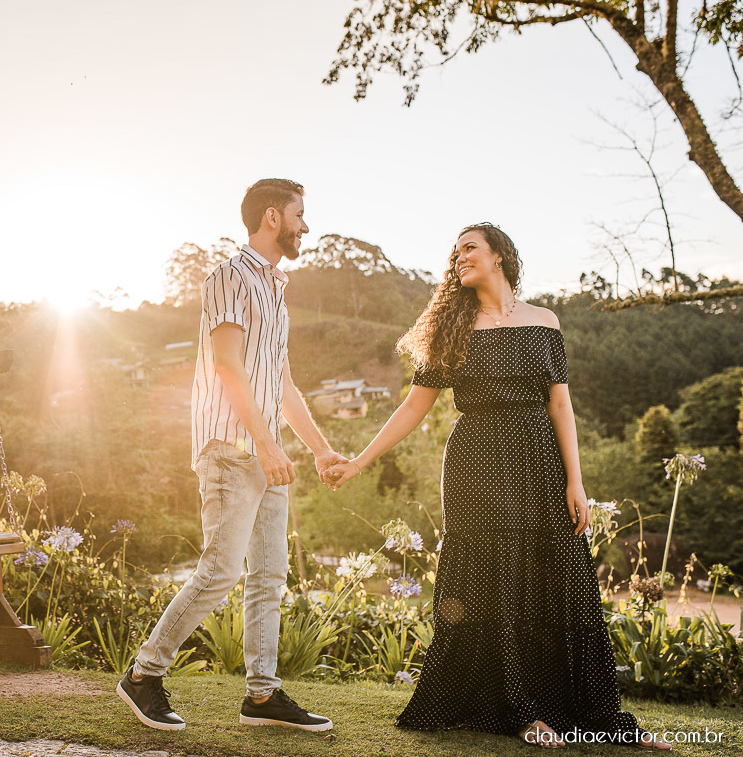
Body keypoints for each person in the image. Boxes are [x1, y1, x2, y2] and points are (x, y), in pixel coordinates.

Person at [325, 224, 670, 750]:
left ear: (500, 256)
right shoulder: (450, 328)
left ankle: (587, 713)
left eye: (470, 248)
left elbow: (560, 405)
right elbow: (415, 407)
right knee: (490, 579)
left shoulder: (544, 321)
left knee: (555, 575)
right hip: (476, 464)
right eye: (455, 251)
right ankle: (519, 711)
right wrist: (358, 461)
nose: (459, 256)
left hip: (540, 462)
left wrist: (577, 482)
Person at [116, 178, 346, 732]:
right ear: (272, 217)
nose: (305, 226)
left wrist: (319, 449)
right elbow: (227, 366)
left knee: (269, 578)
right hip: (230, 449)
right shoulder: (228, 277)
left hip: (269, 453)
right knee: (220, 571)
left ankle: (262, 697)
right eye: (300, 214)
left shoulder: (276, 289)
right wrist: (263, 446)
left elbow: (282, 383)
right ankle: (143, 676)